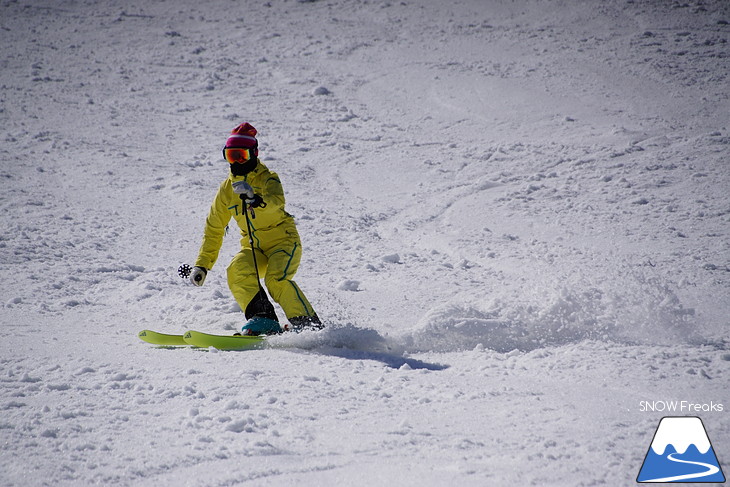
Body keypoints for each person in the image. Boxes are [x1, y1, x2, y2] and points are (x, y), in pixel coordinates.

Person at [189, 122, 322, 335]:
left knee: (275, 280)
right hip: (254, 248)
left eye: (241, 155)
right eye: (232, 156)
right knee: (236, 270)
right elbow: (214, 228)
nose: (237, 162)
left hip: (283, 242)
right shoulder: (226, 190)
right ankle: (263, 319)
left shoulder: (268, 178)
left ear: (254, 154)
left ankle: (308, 323)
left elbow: (277, 204)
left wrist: (256, 199)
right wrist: (202, 265)